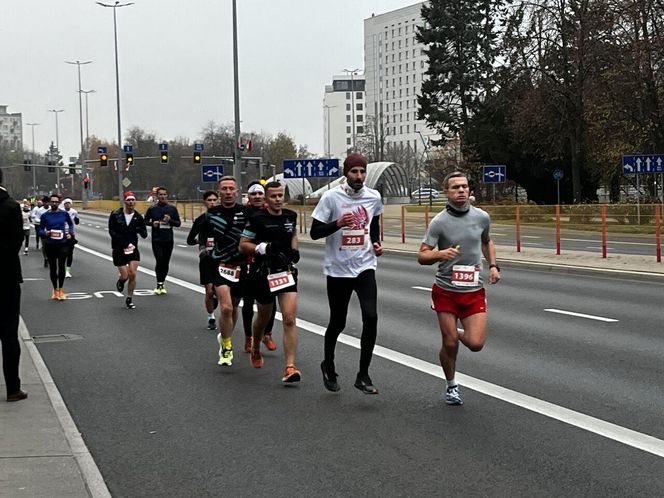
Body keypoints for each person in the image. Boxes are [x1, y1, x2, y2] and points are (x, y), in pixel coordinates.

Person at [417, 171, 501, 405]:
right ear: (447, 192)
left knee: (475, 344)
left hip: (473, 290)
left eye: (464, 187)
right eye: (455, 187)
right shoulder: (439, 222)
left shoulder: (482, 217)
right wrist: (439, 254)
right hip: (445, 289)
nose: (461, 191)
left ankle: (453, 333)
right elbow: (422, 256)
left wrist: (493, 266)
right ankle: (451, 385)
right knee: (450, 342)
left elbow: (486, 241)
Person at [310, 152, 384, 394]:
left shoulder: (373, 197)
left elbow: (373, 223)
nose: (359, 176)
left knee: (371, 317)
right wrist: (338, 224)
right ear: (346, 173)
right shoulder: (331, 198)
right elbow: (314, 232)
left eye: (362, 171)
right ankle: (328, 364)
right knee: (338, 322)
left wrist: (375, 242)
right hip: (339, 269)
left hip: (365, 266)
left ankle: (363, 374)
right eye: (354, 171)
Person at [239, 181, 302, 383]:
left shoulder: (290, 216)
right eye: (273, 196)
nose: (277, 199)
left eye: (280, 196)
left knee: (290, 318)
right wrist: (261, 249)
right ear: (266, 199)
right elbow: (243, 245)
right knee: (263, 318)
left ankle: (290, 367)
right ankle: (256, 347)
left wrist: (294, 251)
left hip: (285, 272)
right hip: (263, 273)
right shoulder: (257, 219)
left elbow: (293, 234)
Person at [199, 177, 250, 366]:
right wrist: (203, 248)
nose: (228, 192)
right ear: (219, 192)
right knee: (226, 307)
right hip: (219, 263)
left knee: (234, 306)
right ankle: (227, 347)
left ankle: (225, 336)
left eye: (231, 189)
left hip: (240, 265)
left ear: (237, 192)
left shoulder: (246, 213)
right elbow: (202, 233)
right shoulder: (212, 214)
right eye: (224, 189)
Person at [240, 181, 277, 353]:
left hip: (269, 263)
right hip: (247, 261)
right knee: (248, 302)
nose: (257, 197)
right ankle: (249, 337)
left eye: (260, 193)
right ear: (248, 196)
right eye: (253, 194)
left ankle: (267, 334)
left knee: (272, 301)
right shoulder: (243, 213)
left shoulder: (270, 212)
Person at [0, 169, 28, 401]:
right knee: (9, 334)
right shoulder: (11, 206)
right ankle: (12, 388)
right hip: (6, 277)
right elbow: (17, 240)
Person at [108, 191, 148, 309]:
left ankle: (129, 298)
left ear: (135, 202)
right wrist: (120, 241)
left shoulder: (138, 216)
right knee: (125, 275)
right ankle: (121, 281)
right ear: (125, 202)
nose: (131, 202)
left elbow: (144, 233)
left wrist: (139, 229)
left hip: (132, 248)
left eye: (132, 200)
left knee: (132, 274)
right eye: (128, 200)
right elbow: (111, 230)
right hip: (119, 248)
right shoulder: (116, 214)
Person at [187, 190, 220, 330]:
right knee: (209, 290)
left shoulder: (223, 217)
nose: (212, 202)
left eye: (214, 200)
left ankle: (217, 298)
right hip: (206, 258)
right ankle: (211, 316)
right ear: (204, 202)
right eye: (209, 200)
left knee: (219, 290)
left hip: (222, 258)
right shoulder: (201, 219)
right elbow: (190, 239)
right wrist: (201, 246)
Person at [144, 186, 181, 294]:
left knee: (165, 262)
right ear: (157, 196)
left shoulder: (172, 209)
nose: (163, 196)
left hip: (168, 239)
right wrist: (153, 223)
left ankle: (162, 283)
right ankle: (159, 283)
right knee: (159, 260)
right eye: (160, 195)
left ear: (167, 195)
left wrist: (170, 220)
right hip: (157, 239)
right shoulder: (152, 209)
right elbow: (145, 221)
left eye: (164, 194)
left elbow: (178, 223)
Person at [39, 193, 74, 300]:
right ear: (49, 202)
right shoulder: (45, 215)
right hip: (50, 244)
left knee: (61, 267)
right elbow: (40, 229)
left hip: (62, 243)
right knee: (53, 268)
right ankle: (55, 290)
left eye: (56, 202)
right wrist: (46, 233)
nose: (54, 203)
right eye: (52, 201)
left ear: (59, 203)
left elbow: (71, 224)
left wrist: (70, 233)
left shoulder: (64, 214)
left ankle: (61, 289)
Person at [60, 198, 80, 278]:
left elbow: (76, 222)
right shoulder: (60, 211)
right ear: (64, 204)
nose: (67, 204)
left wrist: (76, 220)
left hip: (70, 234)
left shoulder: (74, 212)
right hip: (61, 233)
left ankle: (67, 271)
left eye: (69, 203)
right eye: (66, 203)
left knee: (70, 253)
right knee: (62, 253)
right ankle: (61, 269)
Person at [32, 196, 49, 266]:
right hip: (43, 230)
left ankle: (51, 257)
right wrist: (42, 221)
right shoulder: (40, 210)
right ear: (43, 203)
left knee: (52, 245)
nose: (47, 204)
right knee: (44, 245)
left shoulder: (52, 209)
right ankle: (45, 258)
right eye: (45, 202)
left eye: (48, 202)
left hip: (51, 230)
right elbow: (36, 218)